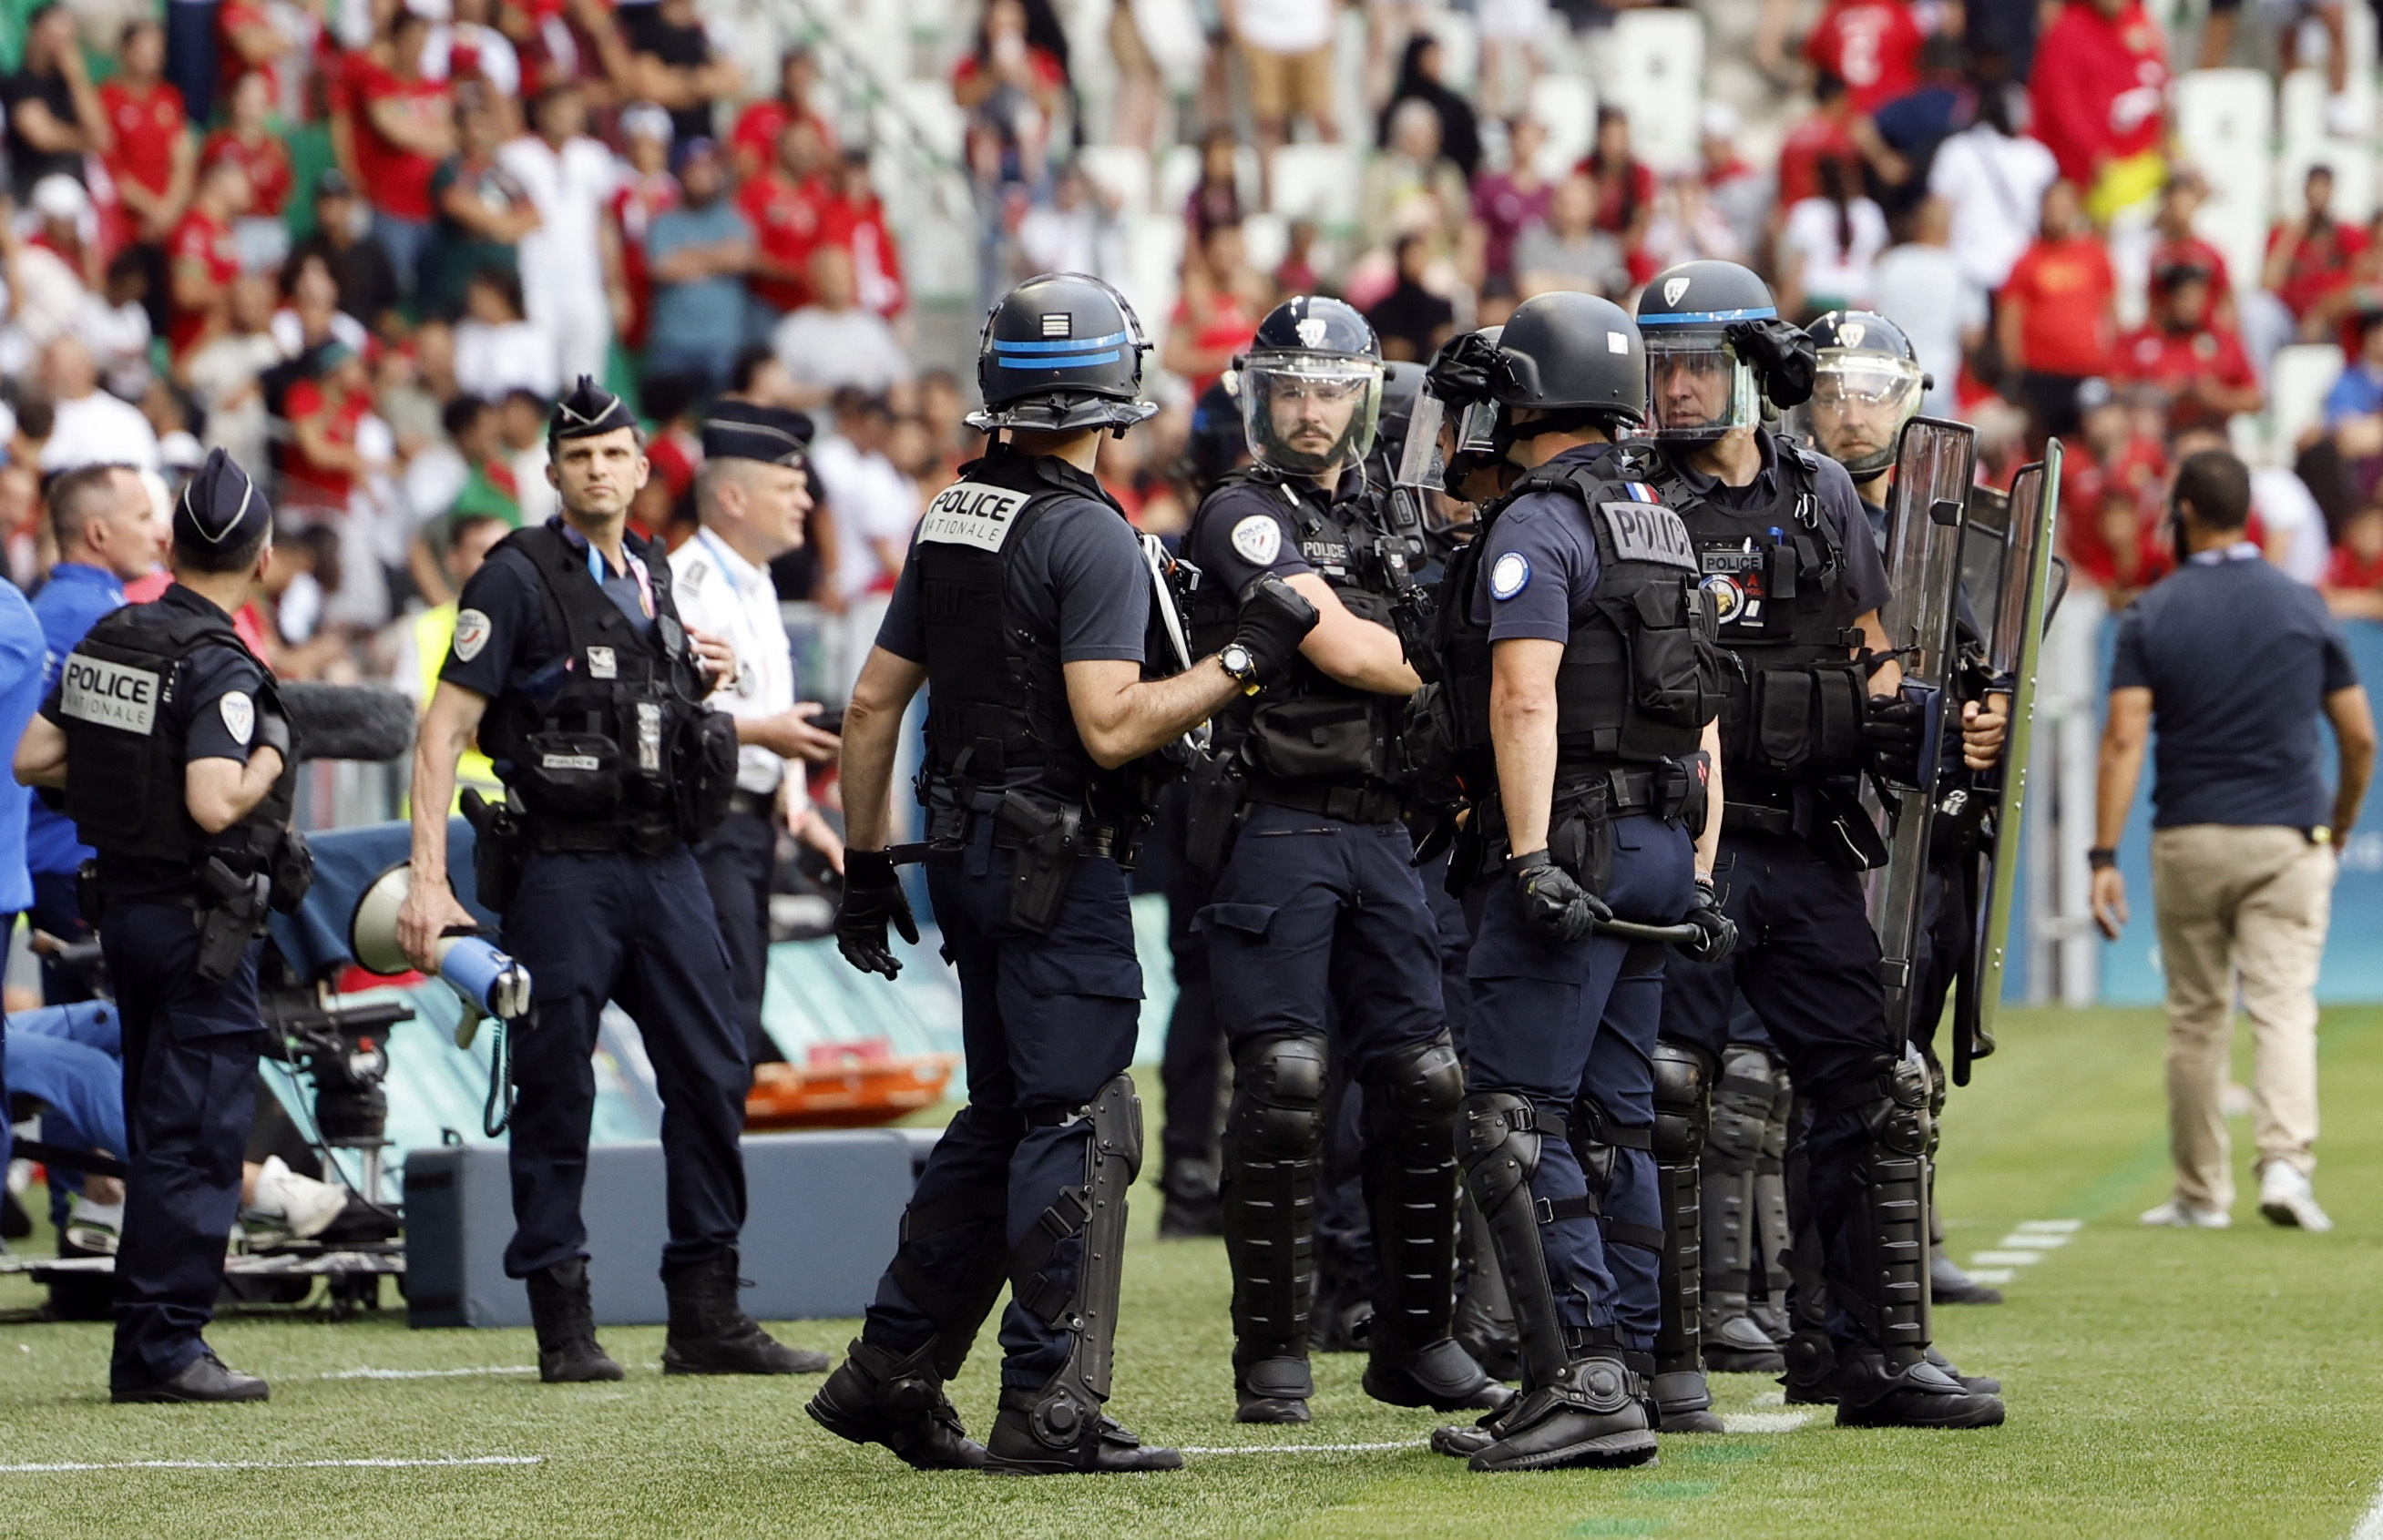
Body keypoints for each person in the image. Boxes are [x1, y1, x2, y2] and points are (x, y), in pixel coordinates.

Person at [806, 273, 1319, 1474]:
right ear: (1114, 394)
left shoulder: (950, 513)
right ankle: (1050, 1404)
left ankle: (888, 1369)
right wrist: (1249, 653)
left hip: (965, 860)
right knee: (1081, 1119)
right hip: (1060, 863)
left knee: (1000, 1119)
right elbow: (1111, 722)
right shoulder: (1086, 528)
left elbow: (875, 703)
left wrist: (871, 867)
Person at [1631, 259, 2004, 1428]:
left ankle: (1864, 1351)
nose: (1679, 387)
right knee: (1669, 1096)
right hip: (1672, 841)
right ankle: (1661, 1362)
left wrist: (1938, 728)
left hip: (1803, 845)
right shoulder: (1624, 493)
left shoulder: (1822, 495)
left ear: (1754, 368)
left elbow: (1869, 653)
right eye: (1665, 363)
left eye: (1701, 362)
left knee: (1871, 1080)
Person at [396, 376, 817, 1384]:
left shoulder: (655, 574)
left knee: (715, 1068)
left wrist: (692, 675)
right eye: (576, 455)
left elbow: (644, 704)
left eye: (612, 452)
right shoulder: (514, 574)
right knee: (556, 1086)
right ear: (552, 472)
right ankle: (562, 1317)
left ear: (639, 467)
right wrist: (425, 881)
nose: (596, 467)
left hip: (665, 858)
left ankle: (706, 1311)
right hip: (562, 866)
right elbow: (444, 730)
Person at [1413, 292, 1733, 1467]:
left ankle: (1585, 1378)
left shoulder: (1537, 526)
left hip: (1579, 849)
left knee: (1515, 1115)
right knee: (1620, 1116)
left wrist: (1534, 854)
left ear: (1526, 401)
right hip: (1657, 847)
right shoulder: (1660, 518)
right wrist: (1695, 870)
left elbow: (1524, 695)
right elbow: (1704, 714)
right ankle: (1638, 1366)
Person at [1177, 298, 1503, 1428]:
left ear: (1364, 397)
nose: (1310, 412)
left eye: (1330, 390)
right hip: (1276, 822)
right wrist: (1444, 669)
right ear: (1259, 397)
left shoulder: (1402, 516)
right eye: (1292, 390)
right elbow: (1353, 647)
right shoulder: (1238, 512)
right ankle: (1271, 1352)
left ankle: (1416, 1340)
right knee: (1285, 1084)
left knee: (1424, 1081)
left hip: (1387, 832)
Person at [12, 450, 299, 1402]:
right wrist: (268, 753)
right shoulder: (221, 662)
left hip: (125, 915)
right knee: (198, 1135)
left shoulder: (113, 632)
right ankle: (167, 1346)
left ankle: (149, 1342)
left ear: (172, 545)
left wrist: (122, 780)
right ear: (261, 559)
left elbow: (34, 756)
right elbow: (216, 801)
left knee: (156, 1122)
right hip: (194, 928)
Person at [2092, 449, 2375, 1233]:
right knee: (2284, 1006)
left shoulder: (2154, 610)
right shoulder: (2304, 603)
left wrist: (2103, 855)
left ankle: (2199, 1192)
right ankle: (2286, 1164)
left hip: (2190, 832)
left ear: (2183, 513)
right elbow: (2358, 736)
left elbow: (2123, 739)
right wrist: (2341, 821)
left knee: (2196, 1017)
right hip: (2288, 831)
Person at [1794, 310, 2011, 1310]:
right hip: (1812, 810)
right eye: (1831, 392)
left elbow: (1972, 665)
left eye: (1869, 391)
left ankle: (1905, 1235)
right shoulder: (1784, 507)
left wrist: (1984, 717)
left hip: (1917, 831)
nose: (1849, 412)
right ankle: (1783, 1275)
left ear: (1908, 401)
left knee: (1908, 1044)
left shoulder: (1934, 526)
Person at [667, 402, 842, 1071]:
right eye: (788, 486)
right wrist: (769, 733)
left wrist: (801, 816)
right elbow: (669, 720)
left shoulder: (756, 580)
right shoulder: (689, 585)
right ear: (733, 496)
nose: (805, 501)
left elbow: (775, 712)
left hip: (747, 828)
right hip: (704, 831)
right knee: (720, 1029)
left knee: (738, 1016)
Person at [24, 465, 159, 1005]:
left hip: (48, 860)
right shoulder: (105, 622)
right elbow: (136, 756)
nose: (159, 533)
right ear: (99, 533)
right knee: (108, 1034)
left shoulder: (48, 607)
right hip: (78, 861)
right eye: (144, 517)